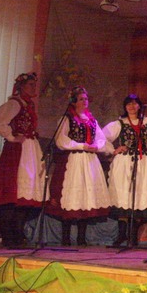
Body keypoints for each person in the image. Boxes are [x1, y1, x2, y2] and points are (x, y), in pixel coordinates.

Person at [0, 72, 45, 248]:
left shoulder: (28, 105)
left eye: (34, 85)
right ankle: (9, 236)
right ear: (21, 86)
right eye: (30, 85)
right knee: (13, 192)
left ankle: (17, 234)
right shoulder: (14, 103)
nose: (33, 88)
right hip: (18, 151)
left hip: (29, 150)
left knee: (24, 195)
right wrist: (11, 137)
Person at [47, 86, 110, 246]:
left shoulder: (92, 120)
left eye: (86, 99)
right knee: (71, 195)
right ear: (74, 101)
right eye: (81, 99)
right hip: (73, 160)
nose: (84, 101)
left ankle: (81, 238)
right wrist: (81, 146)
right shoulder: (67, 118)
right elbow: (61, 140)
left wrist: (96, 146)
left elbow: (101, 138)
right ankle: (66, 238)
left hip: (89, 161)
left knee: (85, 197)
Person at [103, 94, 147, 246]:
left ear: (139, 106)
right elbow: (102, 137)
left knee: (139, 196)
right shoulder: (120, 123)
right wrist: (113, 150)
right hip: (124, 162)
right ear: (125, 107)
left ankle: (133, 236)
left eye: (134, 103)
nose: (132, 106)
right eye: (129, 104)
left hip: (143, 162)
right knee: (124, 196)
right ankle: (122, 235)